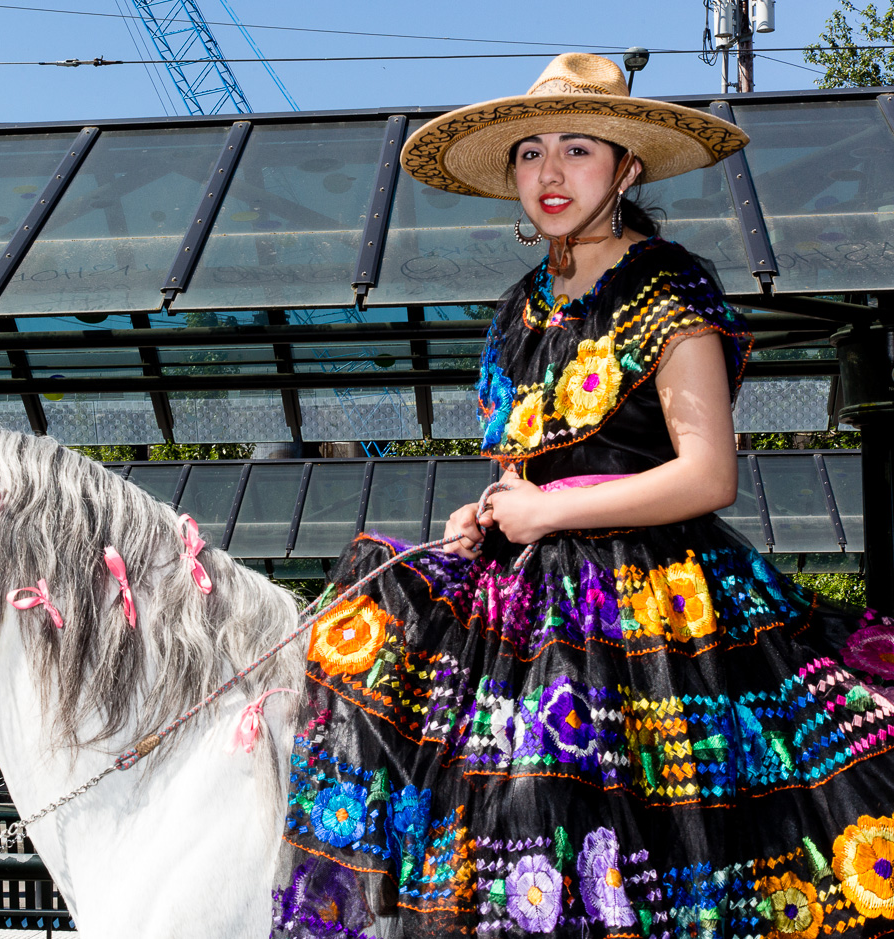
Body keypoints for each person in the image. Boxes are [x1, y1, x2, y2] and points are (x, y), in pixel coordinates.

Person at [271, 53, 894, 939]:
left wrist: (548, 511)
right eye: (529, 153)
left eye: (577, 150)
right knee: (374, 626)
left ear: (626, 166)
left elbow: (709, 473)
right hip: (528, 593)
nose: (550, 174)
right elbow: (526, 467)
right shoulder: (514, 310)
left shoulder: (671, 288)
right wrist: (486, 510)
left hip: (657, 613)